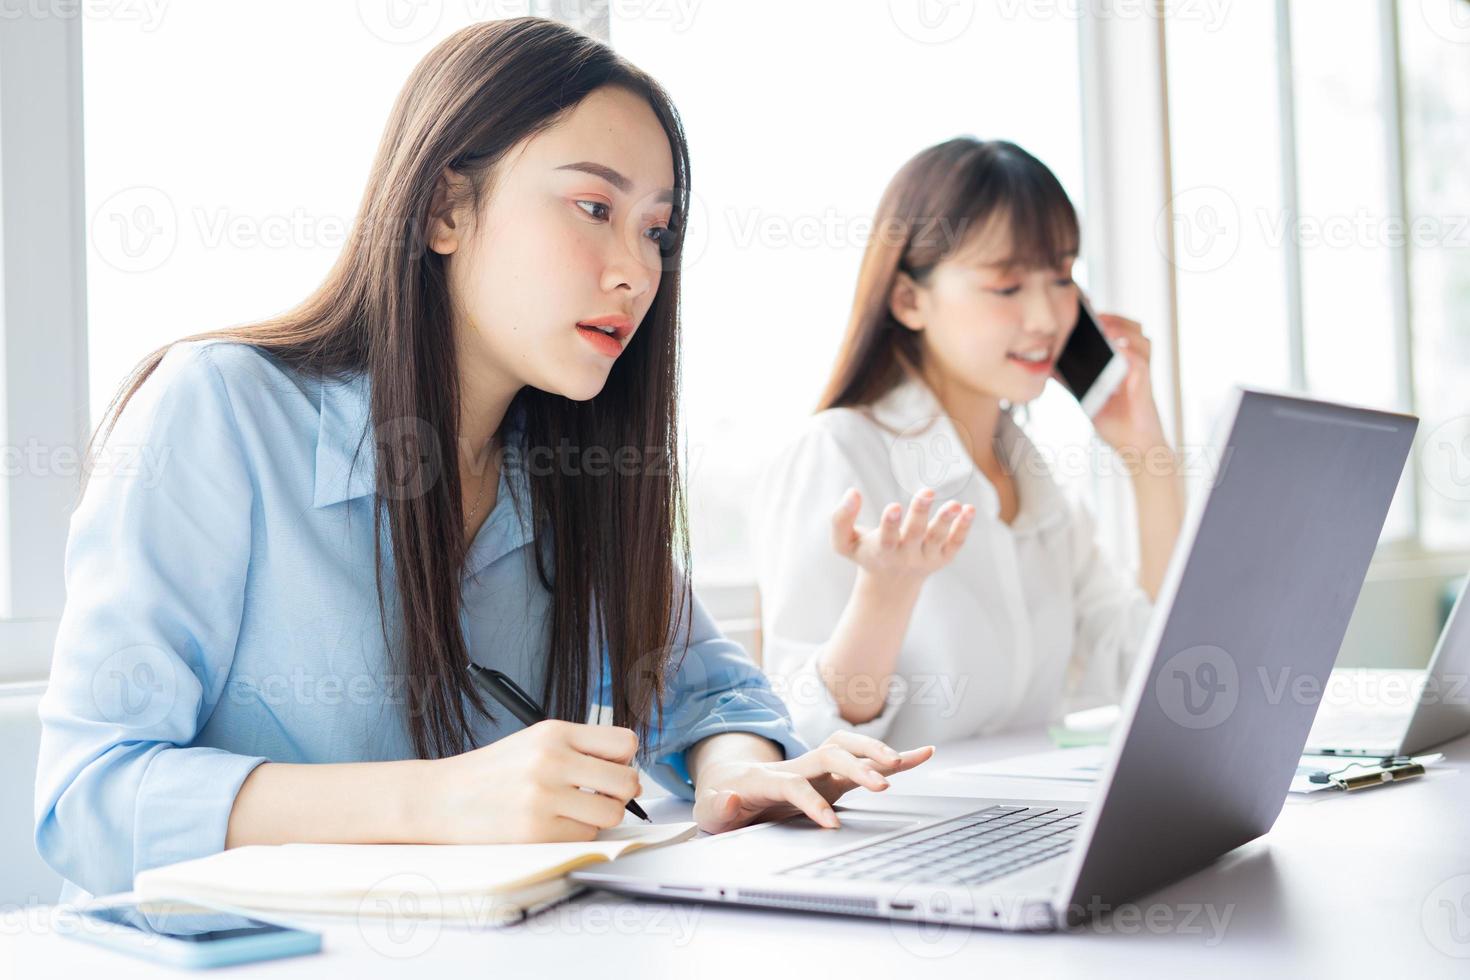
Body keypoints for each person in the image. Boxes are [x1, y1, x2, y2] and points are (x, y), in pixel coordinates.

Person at [35, 18, 931, 905]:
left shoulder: (568, 475)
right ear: (443, 210)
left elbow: (712, 695)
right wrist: (446, 798)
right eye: (594, 208)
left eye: (656, 230)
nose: (636, 271)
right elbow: (88, 801)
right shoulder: (221, 408)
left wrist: (733, 776)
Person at [753, 138, 1185, 749]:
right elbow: (803, 731)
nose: (1045, 317)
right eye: (1006, 287)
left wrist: (1148, 459)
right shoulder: (838, 455)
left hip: (1027, 823)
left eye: (1062, 277)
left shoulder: (1033, 482)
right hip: (899, 835)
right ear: (909, 299)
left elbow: (1148, 668)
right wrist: (885, 595)